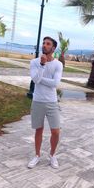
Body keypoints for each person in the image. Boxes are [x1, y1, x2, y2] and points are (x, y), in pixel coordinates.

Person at [27, 36, 63, 169]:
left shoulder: (58, 64)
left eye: (48, 44)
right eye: (43, 43)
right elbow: (35, 80)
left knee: (56, 131)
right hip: (37, 101)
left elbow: (55, 83)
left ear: (53, 48)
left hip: (52, 102)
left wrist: (40, 78)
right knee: (38, 130)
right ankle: (37, 155)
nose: (44, 45)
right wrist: (42, 65)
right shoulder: (34, 62)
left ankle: (52, 155)